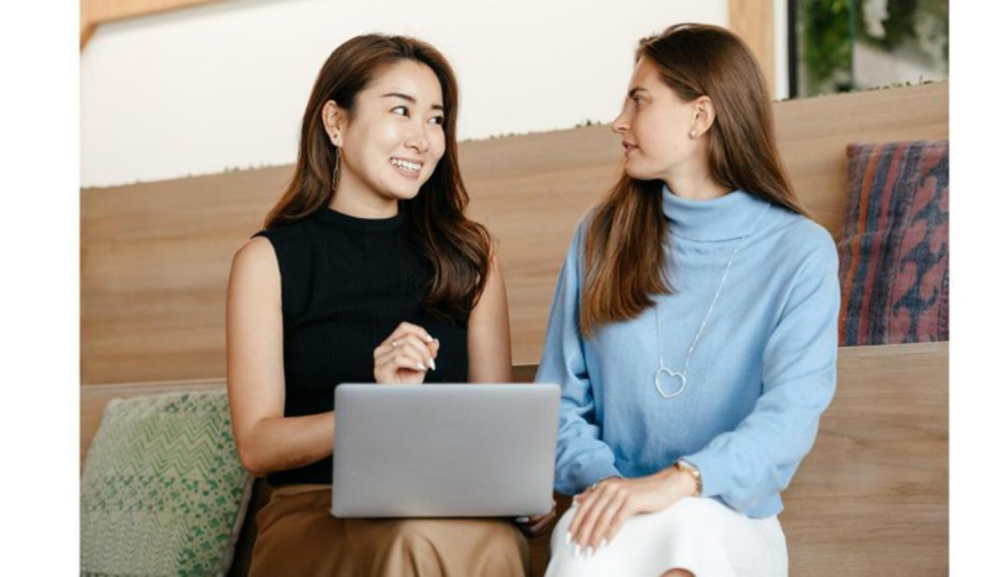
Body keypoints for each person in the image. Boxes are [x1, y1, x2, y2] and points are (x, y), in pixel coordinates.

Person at [225, 34, 554, 577]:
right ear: (336, 122)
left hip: (450, 505)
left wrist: (520, 487)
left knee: (488, 542)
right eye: (401, 110)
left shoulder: (471, 258)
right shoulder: (267, 261)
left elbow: (492, 423)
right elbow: (257, 445)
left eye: (435, 120)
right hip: (316, 511)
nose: (422, 139)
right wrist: (376, 410)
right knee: (414, 540)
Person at [539, 23, 840, 577]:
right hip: (611, 507)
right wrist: (614, 488)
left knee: (689, 537)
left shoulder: (800, 252)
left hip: (730, 519)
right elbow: (557, 404)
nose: (619, 121)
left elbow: (789, 419)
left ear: (700, 117)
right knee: (588, 552)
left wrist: (680, 482)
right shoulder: (600, 236)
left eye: (639, 101)